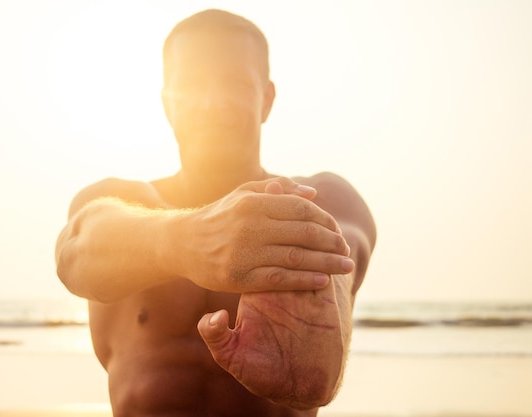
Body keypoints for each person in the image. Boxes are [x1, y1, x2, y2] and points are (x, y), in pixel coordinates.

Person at [55, 8, 376, 417]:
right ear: (167, 104)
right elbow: (76, 249)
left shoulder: (318, 196)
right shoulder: (122, 202)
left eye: (235, 83)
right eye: (192, 86)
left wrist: (324, 313)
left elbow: (341, 253)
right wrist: (189, 242)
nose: (211, 103)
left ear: (267, 99)